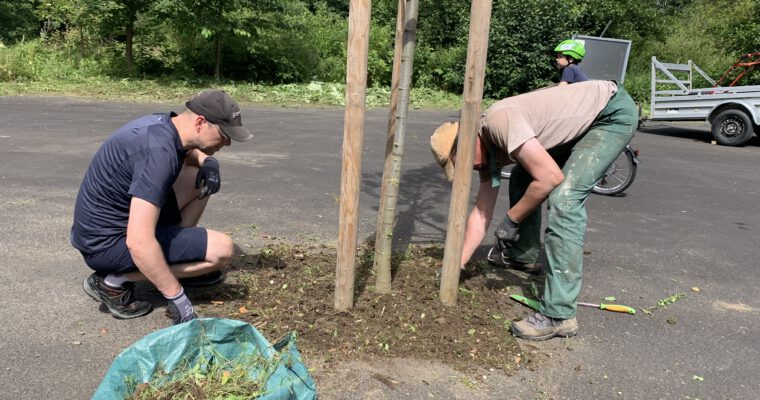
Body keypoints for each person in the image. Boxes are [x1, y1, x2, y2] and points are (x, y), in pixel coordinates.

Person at [430, 80, 637, 340]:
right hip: (587, 119)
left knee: (565, 198)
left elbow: (550, 178)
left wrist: (511, 219)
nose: (469, 171)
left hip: (609, 114)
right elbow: (481, 213)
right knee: (521, 177)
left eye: (462, 164)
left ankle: (559, 315)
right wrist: (456, 265)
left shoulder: (499, 122)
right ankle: (524, 256)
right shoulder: (488, 153)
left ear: (468, 143)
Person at [71, 89, 253, 324]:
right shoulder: (158, 154)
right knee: (223, 250)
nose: (227, 142)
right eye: (223, 134)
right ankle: (113, 282)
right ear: (200, 122)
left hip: (104, 227)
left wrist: (208, 161)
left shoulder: (165, 126)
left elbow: (189, 154)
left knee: (198, 178)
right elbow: (138, 241)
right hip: (106, 245)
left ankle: (169, 263)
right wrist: (177, 297)